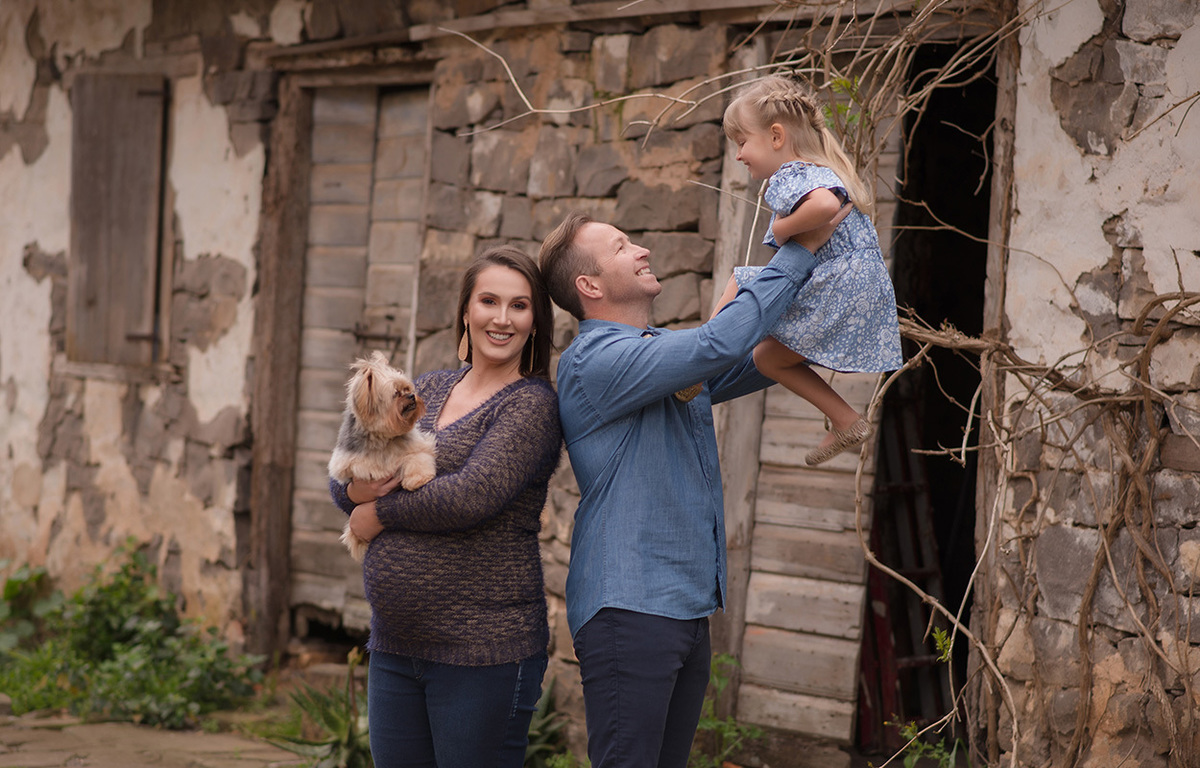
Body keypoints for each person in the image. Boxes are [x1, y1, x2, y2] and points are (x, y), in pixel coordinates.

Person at [537, 203, 845, 768]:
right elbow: (716, 346)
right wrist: (800, 247)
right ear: (590, 285)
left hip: (682, 606)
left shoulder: (659, 358)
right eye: (622, 246)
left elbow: (754, 358)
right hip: (629, 606)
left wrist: (835, 288)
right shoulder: (595, 361)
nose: (643, 249)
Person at [328, 245, 562, 768]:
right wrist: (355, 496)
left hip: (482, 652)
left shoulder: (531, 405)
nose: (502, 319)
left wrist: (376, 514)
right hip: (395, 645)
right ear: (466, 311)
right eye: (489, 301)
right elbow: (348, 465)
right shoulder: (428, 388)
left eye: (519, 306)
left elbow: (469, 496)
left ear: (535, 322)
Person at [710, 74, 903, 465]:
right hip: (858, 285)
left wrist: (781, 230)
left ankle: (701, 360)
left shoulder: (791, 174)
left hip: (838, 284)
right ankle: (846, 420)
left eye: (742, 142)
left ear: (776, 136)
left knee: (741, 283)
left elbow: (825, 207)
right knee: (767, 357)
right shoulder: (818, 170)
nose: (739, 155)